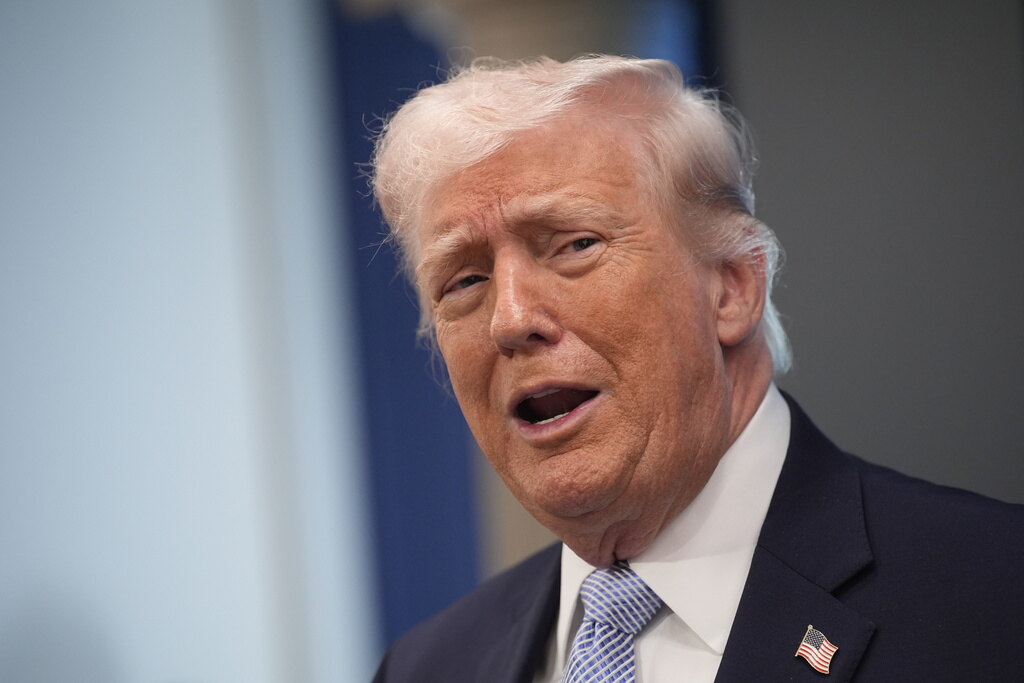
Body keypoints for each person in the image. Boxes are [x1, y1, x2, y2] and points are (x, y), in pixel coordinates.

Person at [368, 55, 1024, 682]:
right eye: (464, 281)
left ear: (732, 288)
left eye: (575, 243)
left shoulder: (996, 596)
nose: (509, 318)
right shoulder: (427, 666)